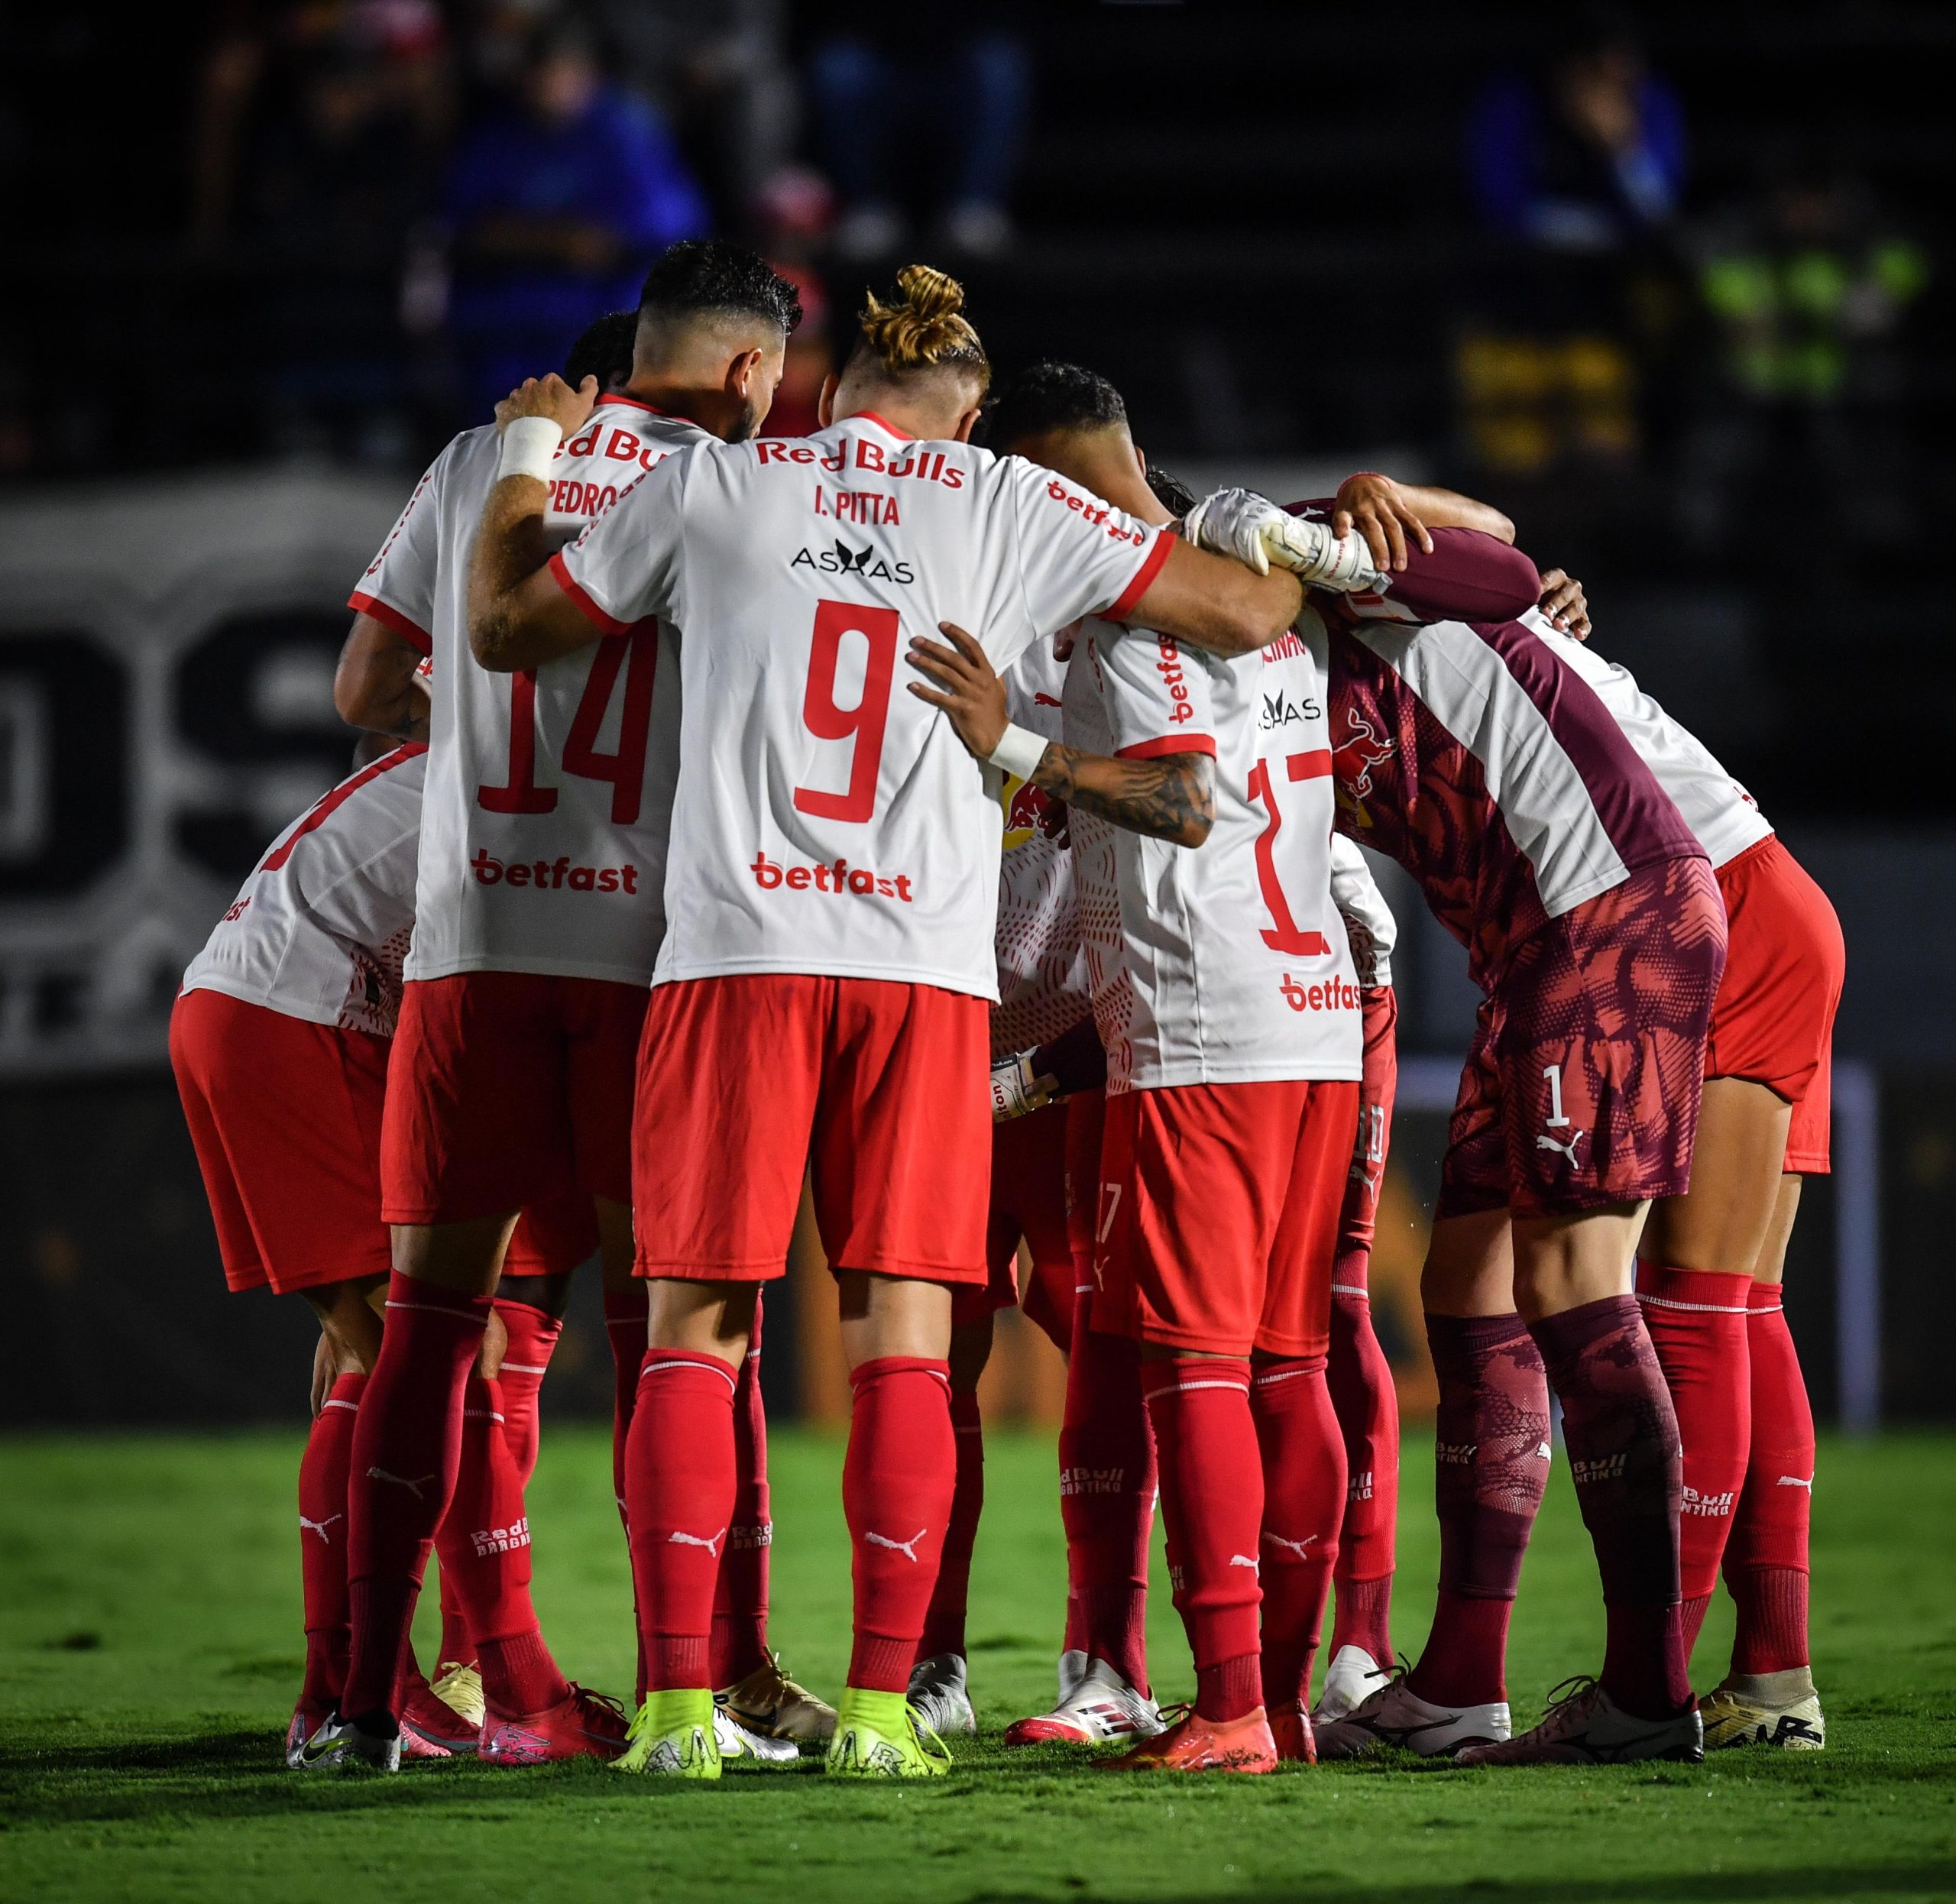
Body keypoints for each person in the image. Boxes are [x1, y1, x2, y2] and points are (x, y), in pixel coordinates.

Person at [468, 265, 1320, 1778]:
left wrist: (525, 467)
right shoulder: (1002, 502)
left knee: (692, 1330)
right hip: (919, 975)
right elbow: (1249, 614)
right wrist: (1266, 522)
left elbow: (505, 629)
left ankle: (676, 1709)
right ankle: (877, 1711)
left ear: (827, 390)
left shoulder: (725, 484)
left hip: (732, 956)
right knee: (901, 1341)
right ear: (968, 413)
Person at [309, 243, 815, 1774]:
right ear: (745, 372)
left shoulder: (482, 458)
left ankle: (356, 1706)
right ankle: (710, 1681)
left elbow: (358, 690)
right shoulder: (745, 494)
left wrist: (475, 721)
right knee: (682, 1339)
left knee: (425, 1332)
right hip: (653, 966)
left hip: (470, 951)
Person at [1185, 480, 1722, 1765]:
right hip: (1522, 952)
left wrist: (1354, 517)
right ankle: (1462, 1679)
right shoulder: (1217, 661)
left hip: (1604, 913)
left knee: (1574, 1275)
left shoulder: (1307, 560)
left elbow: (1505, 574)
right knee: (1469, 1284)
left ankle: (1649, 1694)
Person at [168, 737, 598, 1766]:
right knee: (448, 1361)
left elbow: (367, 697)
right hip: (309, 1018)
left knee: (379, 1362)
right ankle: (517, 1688)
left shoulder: (481, 746)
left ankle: (347, 1689)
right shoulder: (561, 773)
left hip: (231, 1004)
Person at [1517, 593, 1843, 1750]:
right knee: (1745, 1307)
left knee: (1695, 1306)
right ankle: (1772, 1681)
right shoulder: (1488, 619)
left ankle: (1647, 1687)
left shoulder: (1425, 635)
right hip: (1766, 899)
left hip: (1729, 920)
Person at [444, 18, 709, 416]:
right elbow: (462, 223)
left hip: (602, 292)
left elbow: (673, 224)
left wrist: (596, 243)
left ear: (588, 73)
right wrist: (552, 240)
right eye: (542, 71)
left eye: (565, 71)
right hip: (516, 295)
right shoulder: (500, 133)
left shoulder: (625, 131)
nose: (552, 83)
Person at [1315, 832, 1404, 1724]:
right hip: (1208, 1024)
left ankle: (1363, 1642)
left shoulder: (1283, 696)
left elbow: (1364, 920)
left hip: (1335, 1004)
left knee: (1336, 1305)